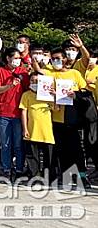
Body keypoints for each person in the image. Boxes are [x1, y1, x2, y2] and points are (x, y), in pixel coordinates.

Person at [33, 47, 89, 187]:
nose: (56, 61)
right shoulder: (50, 73)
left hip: (72, 118)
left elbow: (85, 92)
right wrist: (35, 59)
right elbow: (38, 70)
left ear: (65, 58)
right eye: (53, 59)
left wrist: (74, 94)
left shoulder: (75, 73)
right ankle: (65, 176)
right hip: (55, 118)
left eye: (58, 58)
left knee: (76, 151)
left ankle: (82, 176)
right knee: (61, 151)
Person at [0, 48, 29, 179]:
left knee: (18, 144)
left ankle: (19, 168)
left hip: (19, 113)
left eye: (19, 58)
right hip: (3, 114)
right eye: (15, 58)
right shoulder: (0, 71)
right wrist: (10, 86)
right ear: (8, 58)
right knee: (5, 144)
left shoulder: (23, 72)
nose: (17, 61)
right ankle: (6, 168)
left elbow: (29, 88)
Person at [20, 73, 55, 183]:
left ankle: (49, 177)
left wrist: (54, 96)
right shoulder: (26, 95)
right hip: (32, 130)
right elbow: (23, 112)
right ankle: (34, 176)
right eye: (32, 81)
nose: (34, 83)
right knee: (32, 156)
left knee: (48, 157)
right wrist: (25, 129)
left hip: (46, 132)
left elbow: (57, 108)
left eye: (37, 81)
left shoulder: (47, 96)